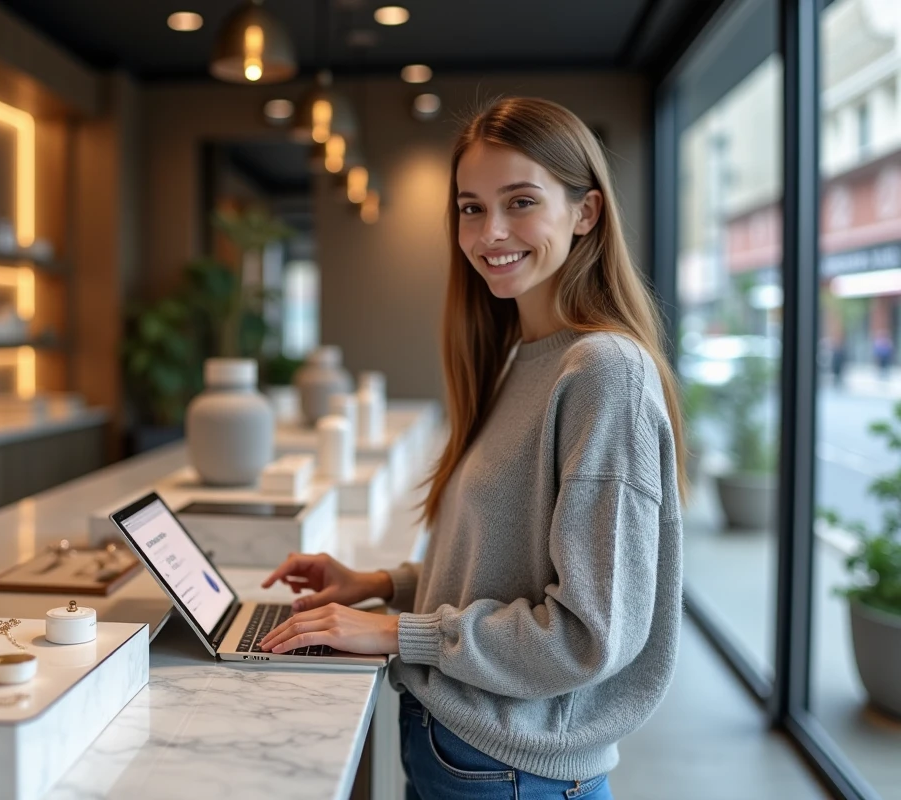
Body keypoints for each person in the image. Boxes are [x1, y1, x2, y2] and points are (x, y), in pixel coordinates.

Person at [259, 97, 686, 800]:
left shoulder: (604, 372)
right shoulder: (524, 358)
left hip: (513, 771)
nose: (491, 233)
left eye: (521, 202)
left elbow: (586, 635)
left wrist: (396, 632)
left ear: (586, 212)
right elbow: (509, 564)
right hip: (461, 745)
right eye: (471, 208)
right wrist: (381, 584)